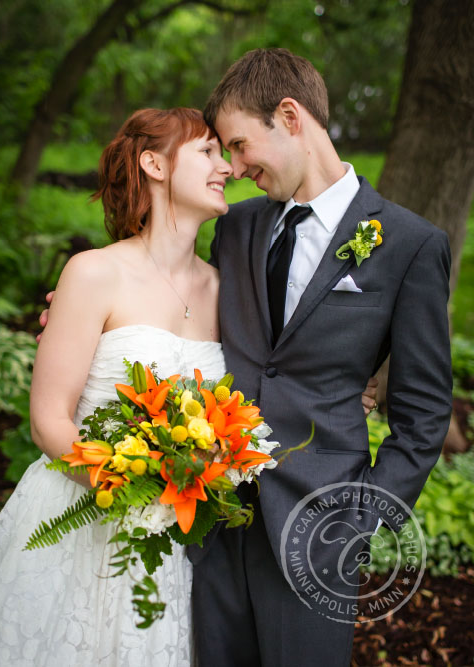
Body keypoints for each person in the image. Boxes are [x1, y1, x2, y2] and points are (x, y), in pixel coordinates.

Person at [34, 49, 452, 666]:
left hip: (316, 527)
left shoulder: (411, 246)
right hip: (205, 527)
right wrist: (73, 315)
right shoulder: (237, 227)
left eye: (237, 144)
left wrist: (357, 520)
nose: (233, 167)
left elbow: (422, 416)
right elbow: (169, 299)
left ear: (289, 116)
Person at [0, 107, 231, 666]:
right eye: (208, 152)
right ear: (154, 164)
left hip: (177, 534)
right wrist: (127, 486)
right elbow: (48, 418)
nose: (227, 167)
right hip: (80, 518)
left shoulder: (226, 289)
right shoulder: (94, 273)